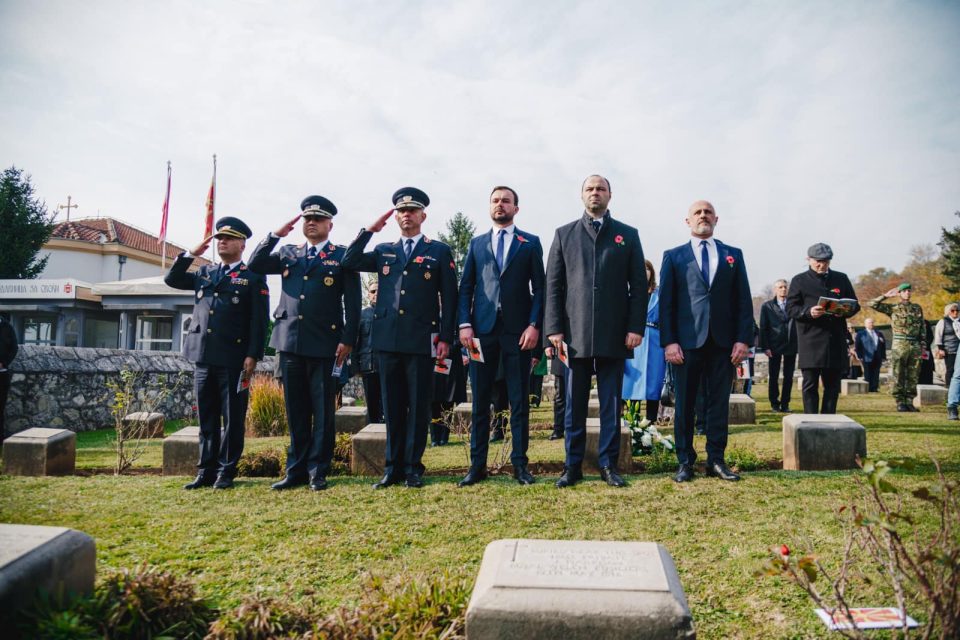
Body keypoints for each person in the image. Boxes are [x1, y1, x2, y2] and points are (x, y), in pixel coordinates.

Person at [342, 187, 457, 489]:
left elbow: (451, 297)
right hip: (388, 340)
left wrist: (446, 337)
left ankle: (412, 467)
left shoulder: (438, 251)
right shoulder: (383, 250)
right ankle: (391, 468)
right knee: (391, 407)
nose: (406, 215)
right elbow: (349, 261)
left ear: (423, 215)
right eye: (401, 211)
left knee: (419, 407)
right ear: (395, 217)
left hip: (421, 341)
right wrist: (369, 230)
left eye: (412, 210)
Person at [248, 196, 361, 491]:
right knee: (295, 410)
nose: (311, 223)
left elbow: (353, 301)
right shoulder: (288, 252)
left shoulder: (341, 255)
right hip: (290, 344)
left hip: (325, 344)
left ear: (329, 224)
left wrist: (348, 339)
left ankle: (317, 470)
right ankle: (295, 469)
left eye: (318, 219)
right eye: (307, 219)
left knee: (323, 413)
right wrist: (275, 235)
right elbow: (255, 263)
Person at [545, 175, 647, 488]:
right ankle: (572, 466)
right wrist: (554, 329)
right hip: (573, 336)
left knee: (610, 404)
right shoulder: (564, 234)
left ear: (610, 195)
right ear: (581, 195)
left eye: (600, 189)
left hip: (615, 334)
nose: (595, 193)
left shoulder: (627, 235)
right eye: (590, 189)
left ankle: (608, 464)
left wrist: (635, 327)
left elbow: (638, 287)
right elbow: (553, 285)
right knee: (573, 405)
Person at [164, 216, 269, 490]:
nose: (222, 242)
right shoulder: (204, 273)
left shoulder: (252, 277)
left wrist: (253, 355)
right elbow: (172, 279)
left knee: (233, 418)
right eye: (219, 238)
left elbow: (259, 321)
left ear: (242, 244)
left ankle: (226, 471)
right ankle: (205, 471)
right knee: (207, 418)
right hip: (203, 356)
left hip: (234, 359)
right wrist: (191, 254)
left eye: (229, 238)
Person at [457, 185, 545, 486]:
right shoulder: (477, 243)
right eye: (495, 200)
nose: (500, 205)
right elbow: (466, 287)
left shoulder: (530, 243)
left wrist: (535, 325)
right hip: (481, 333)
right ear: (489, 206)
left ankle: (520, 465)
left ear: (515, 208)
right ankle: (476, 466)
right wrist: (464, 325)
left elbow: (540, 289)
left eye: (506, 201)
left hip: (518, 333)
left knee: (519, 401)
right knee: (481, 402)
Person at [660, 200, 753, 483]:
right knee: (685, 405)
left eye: (708, 212)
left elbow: (743, 301)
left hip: (724, 344)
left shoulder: (732, 255)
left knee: (718, 404)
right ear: (687, 221)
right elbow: (667, 303)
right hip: (687, 344)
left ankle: (716, 460)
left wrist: (743, 340)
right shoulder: (674, 256)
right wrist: (669, 342)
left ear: (716, 219)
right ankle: (685, 462)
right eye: (697, 213)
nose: (703, 215)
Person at [785, 243, 860, 414]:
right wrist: (808, 312)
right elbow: (790, 309)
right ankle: (810, 420)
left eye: (826, 261)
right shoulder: (799, 280)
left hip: (835, 339)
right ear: (808, 260)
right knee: (810, 384)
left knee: (832, 385)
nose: (822, 265)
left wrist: (845, 310)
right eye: (818, 261)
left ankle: (829, 419)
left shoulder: (841, 278)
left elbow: (855, 305)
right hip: (810, 341)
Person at [866, 283, 926, 411]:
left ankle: (909, 401)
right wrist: (885, 296)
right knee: (898, 373)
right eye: (904, 291)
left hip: (914, 344)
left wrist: (923, 345)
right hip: (899, 344)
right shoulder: (894, 308)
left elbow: (922, 327)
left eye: (909, 291)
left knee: (913, 374)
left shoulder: (917, 308)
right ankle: (900, 402)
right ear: (899, 293)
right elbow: (871, 304)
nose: (907, 293)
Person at [622, 260, 666, 423]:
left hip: (655, 340)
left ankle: (651, 421)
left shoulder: (659, 293)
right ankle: (632, 419)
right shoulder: (628, 293)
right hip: (633, 341)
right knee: (633, 382)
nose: (645, 271)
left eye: (647, 268)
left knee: (654, 381)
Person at [759, 279, 797, 412]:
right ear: (775, 289)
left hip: (791, 344)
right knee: (773, 376)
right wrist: (765, 346)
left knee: (789, 376)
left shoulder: (793, 305)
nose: (783, 289)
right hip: (774, 345)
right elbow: (763, 327)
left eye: (785, 287)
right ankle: (774, 403)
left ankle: (785, 403)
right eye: (780, 287)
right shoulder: (767, 306)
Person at [355, 279, 383, 424]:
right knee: (372, 406)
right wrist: (355, 367)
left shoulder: (391, 312)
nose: (376, 294)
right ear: (368, 294)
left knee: (388, 405)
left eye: (379, 290)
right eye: (373, 291)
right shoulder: (361, 315)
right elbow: (355, 343)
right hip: (368, 366)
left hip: (387, 367)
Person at [855, 318, 886, 392]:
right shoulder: (861, 333)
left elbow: (883, 345)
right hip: (866, 356)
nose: (871, 324)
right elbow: (857, 346)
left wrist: (883, 356)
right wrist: (859, 356)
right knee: (867, 372)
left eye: (872, 322)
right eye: (869, 323)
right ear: (865, 324)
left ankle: (874, 388)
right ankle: (868, 388)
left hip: (877, 356)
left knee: (876, 372)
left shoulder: (879, 333)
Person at [0, 313, 18, 441]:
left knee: (0, 407)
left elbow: (14, 348)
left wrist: (3, 363)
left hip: (2, 374)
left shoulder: (7, 327)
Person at [934, 303, 960, 385]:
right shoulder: (943, 322)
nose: (955, 312)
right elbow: (938, 336)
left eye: (957, 310)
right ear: (948, 312)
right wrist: (940, 349)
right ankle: (949, 387)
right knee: (950, 370)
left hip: (958, 349)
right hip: (949, 350)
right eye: (953, 311)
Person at [546, 347, 568, 440]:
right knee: (560, 394)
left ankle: (574, 427)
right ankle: (558, 429)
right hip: (561, 348)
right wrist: (547, 345)